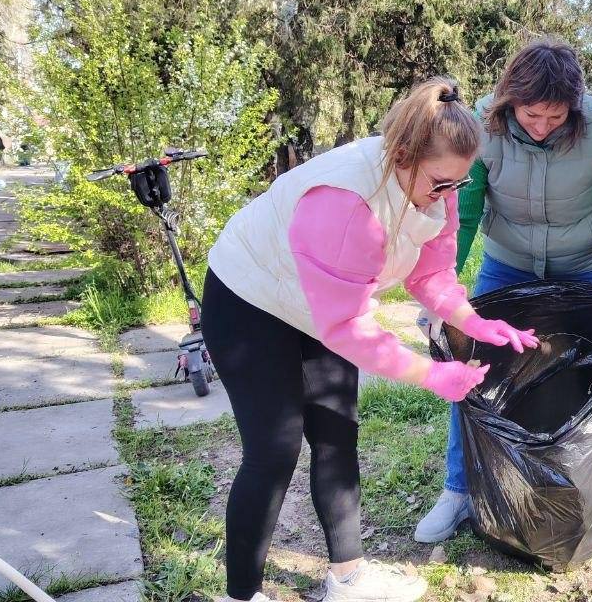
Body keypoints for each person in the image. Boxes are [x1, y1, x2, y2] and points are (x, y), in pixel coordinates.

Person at [202, 77, 539, 602]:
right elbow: (348, 328)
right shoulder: (343, 203)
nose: (449, 196)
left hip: (318, 302)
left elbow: (431, 275)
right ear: (402, 156)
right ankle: (240, 596)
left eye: (459, 184)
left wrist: (474, 322)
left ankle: (348, 577)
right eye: (441, 184)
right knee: (274, 449)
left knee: (337, 433)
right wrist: (432, 375)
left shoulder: (440, 185)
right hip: (250, 297)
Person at [414, 39, 592, 544]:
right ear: (511, 102)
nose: (543, 126)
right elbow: (463, 218)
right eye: (532, 115)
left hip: (585, 268)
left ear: (573, 106)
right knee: (472, 370)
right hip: (508, 267)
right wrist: (443, 289)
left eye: (555, 116)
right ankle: (458, 490)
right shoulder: (482, 128)